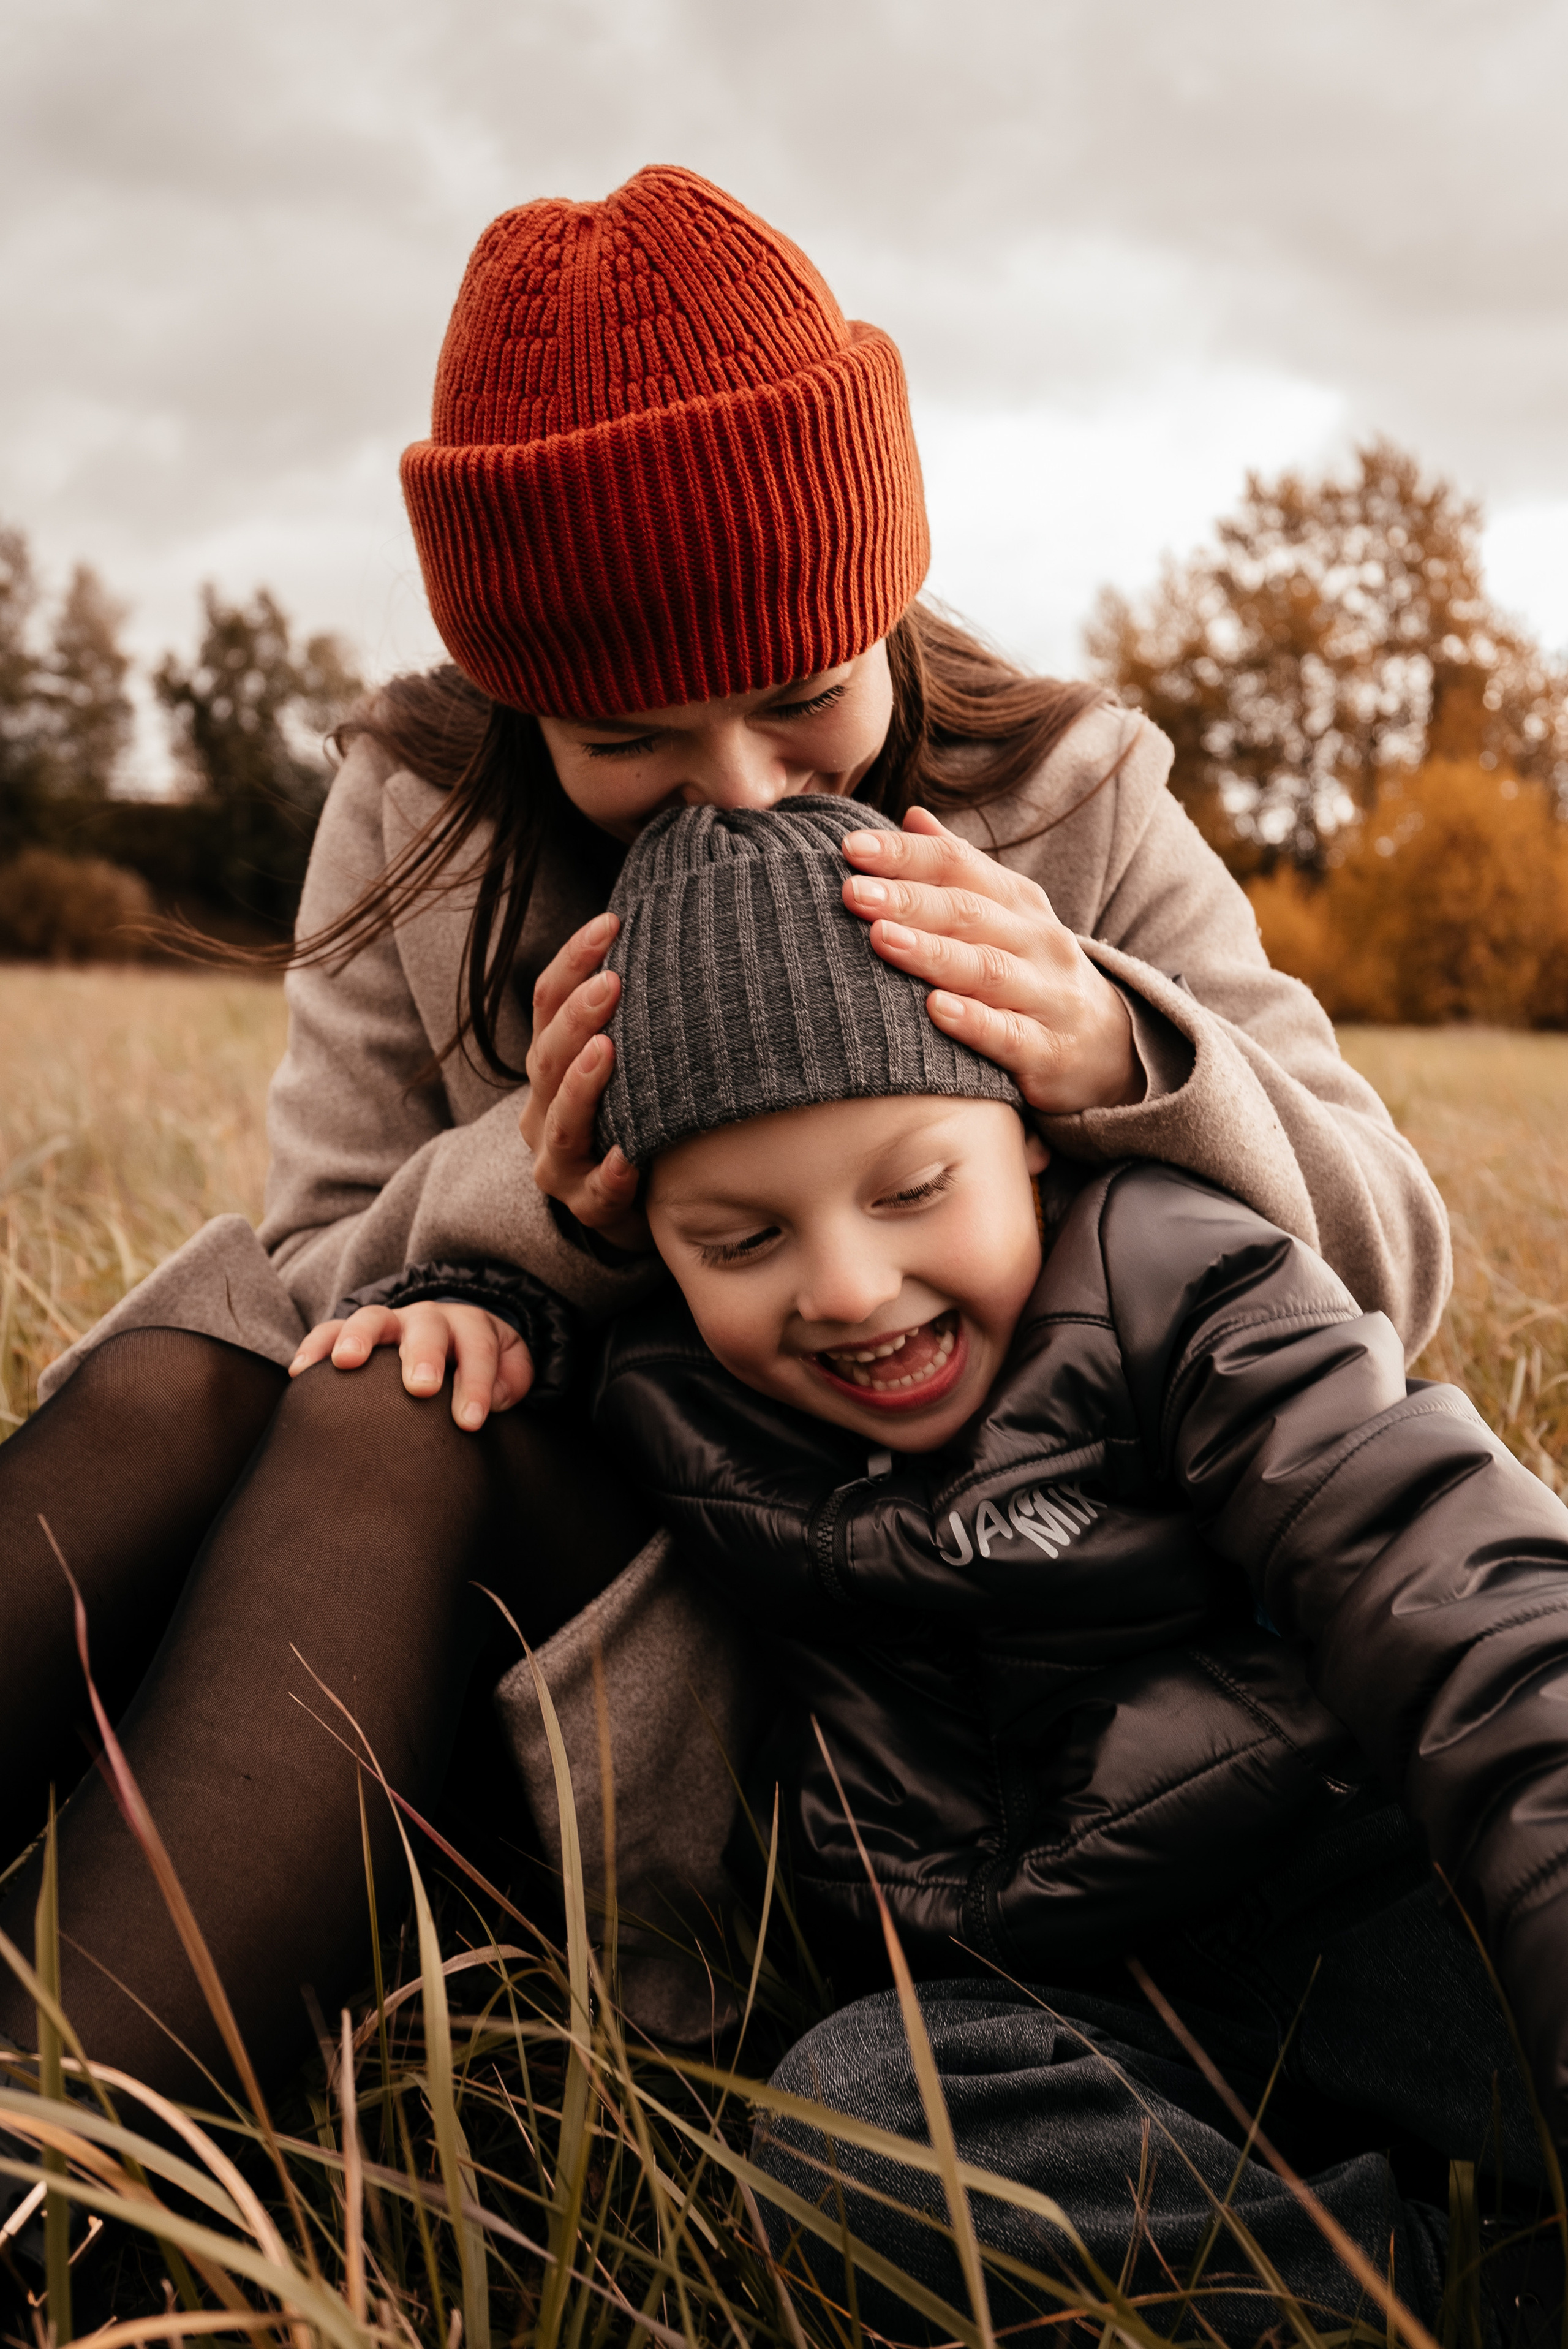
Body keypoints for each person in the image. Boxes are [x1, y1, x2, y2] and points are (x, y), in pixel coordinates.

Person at [0, 166, 1449, 2109]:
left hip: (882, 1641)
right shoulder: (422, 807)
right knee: (193, 1392)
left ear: (879, 603)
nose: (737, 783)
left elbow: (1389, 1270)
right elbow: (329, 1257)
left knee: (367, 1417)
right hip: (488, 1535)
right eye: (630, 742)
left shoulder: (1062, 788)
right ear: (522, 701)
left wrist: (1115, 1044)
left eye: (800, 698)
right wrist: (549, 1194)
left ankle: (67, 2163)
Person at [328, 794, 1568, 2345]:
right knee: (854, 2121)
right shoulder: (667, 1390)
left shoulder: (1185, 1285)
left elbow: (1459, 1597)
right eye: (737, 1237)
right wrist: (471, 1301)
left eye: (912, 1190)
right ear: (654, 1243)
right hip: (1059, 2014)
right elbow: (516, 1375)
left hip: (1365, 1905)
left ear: (1033, 1141)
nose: (846, 1287)